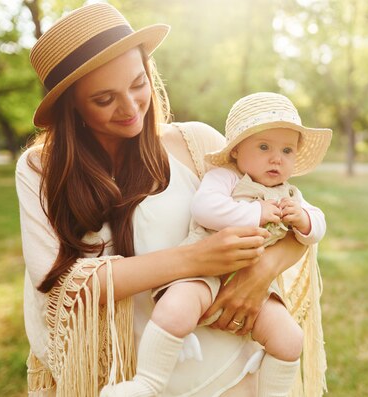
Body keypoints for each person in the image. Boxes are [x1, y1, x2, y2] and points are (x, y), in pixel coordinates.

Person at [16, 4, 323, 396]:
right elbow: (62, 287)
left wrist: (258, 276)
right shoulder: (42, 169)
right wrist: (195, 259)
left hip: (231, 372)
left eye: (138, 83)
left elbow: (292, 225)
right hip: (130, 380)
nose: (130, 108)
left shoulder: (197, 143)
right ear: (71, 105)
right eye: (104, 99)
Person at [104, 92, 332, 397]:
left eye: (287, 150)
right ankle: (147, 383)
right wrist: (256, 212)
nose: (276, 158)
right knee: (175, 310)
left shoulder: (289, 195)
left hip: (253, 282)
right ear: (237, 151)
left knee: (290, 338)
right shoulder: (226, 178)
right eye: (264, 147)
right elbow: (205, 208)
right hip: (205, 271)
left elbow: (318, 225)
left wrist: (303, 218)